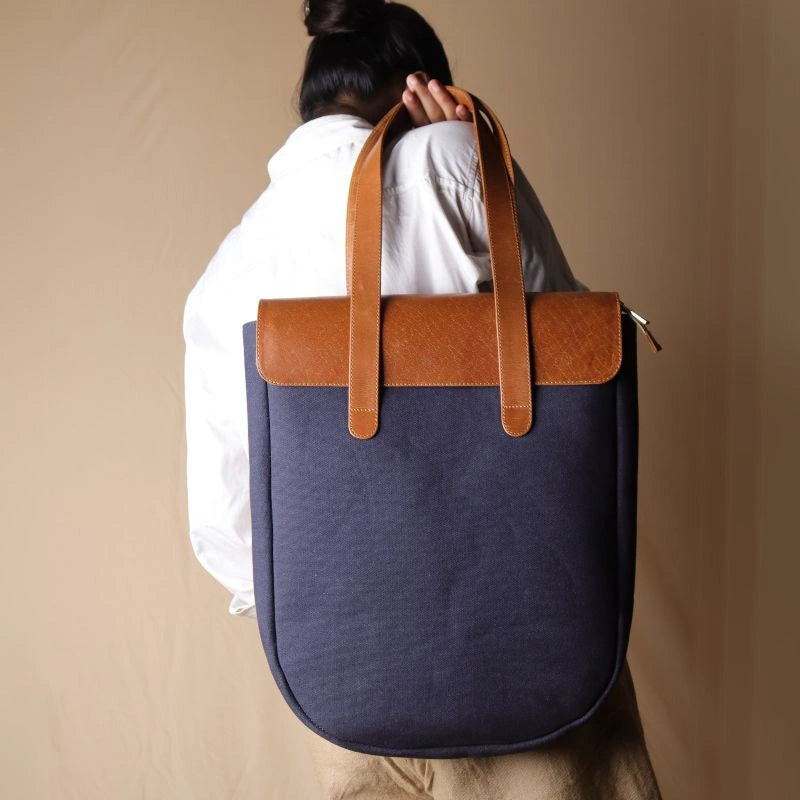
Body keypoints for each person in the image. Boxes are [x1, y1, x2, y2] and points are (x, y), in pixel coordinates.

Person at [182, 1, 663, 797]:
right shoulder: (454, 163)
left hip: (343, 693)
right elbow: (576, 372)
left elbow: (226, 517)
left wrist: (333, 609)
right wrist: (466, 148)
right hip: (528, 662)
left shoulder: (233, 260)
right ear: (422, 87)